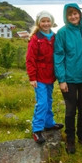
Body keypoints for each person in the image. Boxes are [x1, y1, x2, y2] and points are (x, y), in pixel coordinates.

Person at [53, 3, 82, 154]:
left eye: (75, 13)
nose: (73, 16)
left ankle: (81, 136)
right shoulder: (62, 33)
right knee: (71, 110)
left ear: (80, 14)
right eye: (70, 14)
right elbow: (58, 56)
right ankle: (70, 139)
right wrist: (62, 79)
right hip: (69, 79)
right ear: (66, 16)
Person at [25, 11, 63, 144]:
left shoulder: (55, 37)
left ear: (51, 22)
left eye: (48, 21)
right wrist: (32, 77)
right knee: (41, 103)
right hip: (39, 77)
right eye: (43, 21)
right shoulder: (35, 38)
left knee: (49, 100)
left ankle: (48, 123)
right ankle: (37, 129)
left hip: (50, 75)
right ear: (38, 23)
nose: (46, 24)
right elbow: (30, 59)